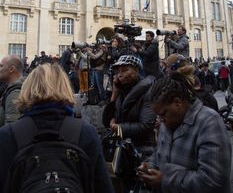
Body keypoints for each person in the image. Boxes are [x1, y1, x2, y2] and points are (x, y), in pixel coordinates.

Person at [0, 63, 114, 192]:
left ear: (27, 89)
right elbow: (103, 187)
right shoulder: (86, 132)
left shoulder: (7, 135)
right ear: (66, 88)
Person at [138, 71, 231, 193]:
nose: (160, 120)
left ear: (178, 102)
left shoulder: (209, 122)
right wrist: (150, 166)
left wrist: (165, 180)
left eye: (163, 114)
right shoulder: (168, 122)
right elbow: (159, 153)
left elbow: (212, 181)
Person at [102, 55, 156, 192]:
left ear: (137, 70)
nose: (120, 75)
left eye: (125, 70)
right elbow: (106, 121)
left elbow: (146, 125)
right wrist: (114, 93)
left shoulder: (147, 91)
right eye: (117, 71)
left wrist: (120, 127)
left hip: (143, 151)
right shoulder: (123, 90)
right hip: (126, 150)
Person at [0, 55, 24, 126]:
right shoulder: (11, 88)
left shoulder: (15, 93)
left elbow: (11, 131)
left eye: (1, 66)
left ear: (11, 69)